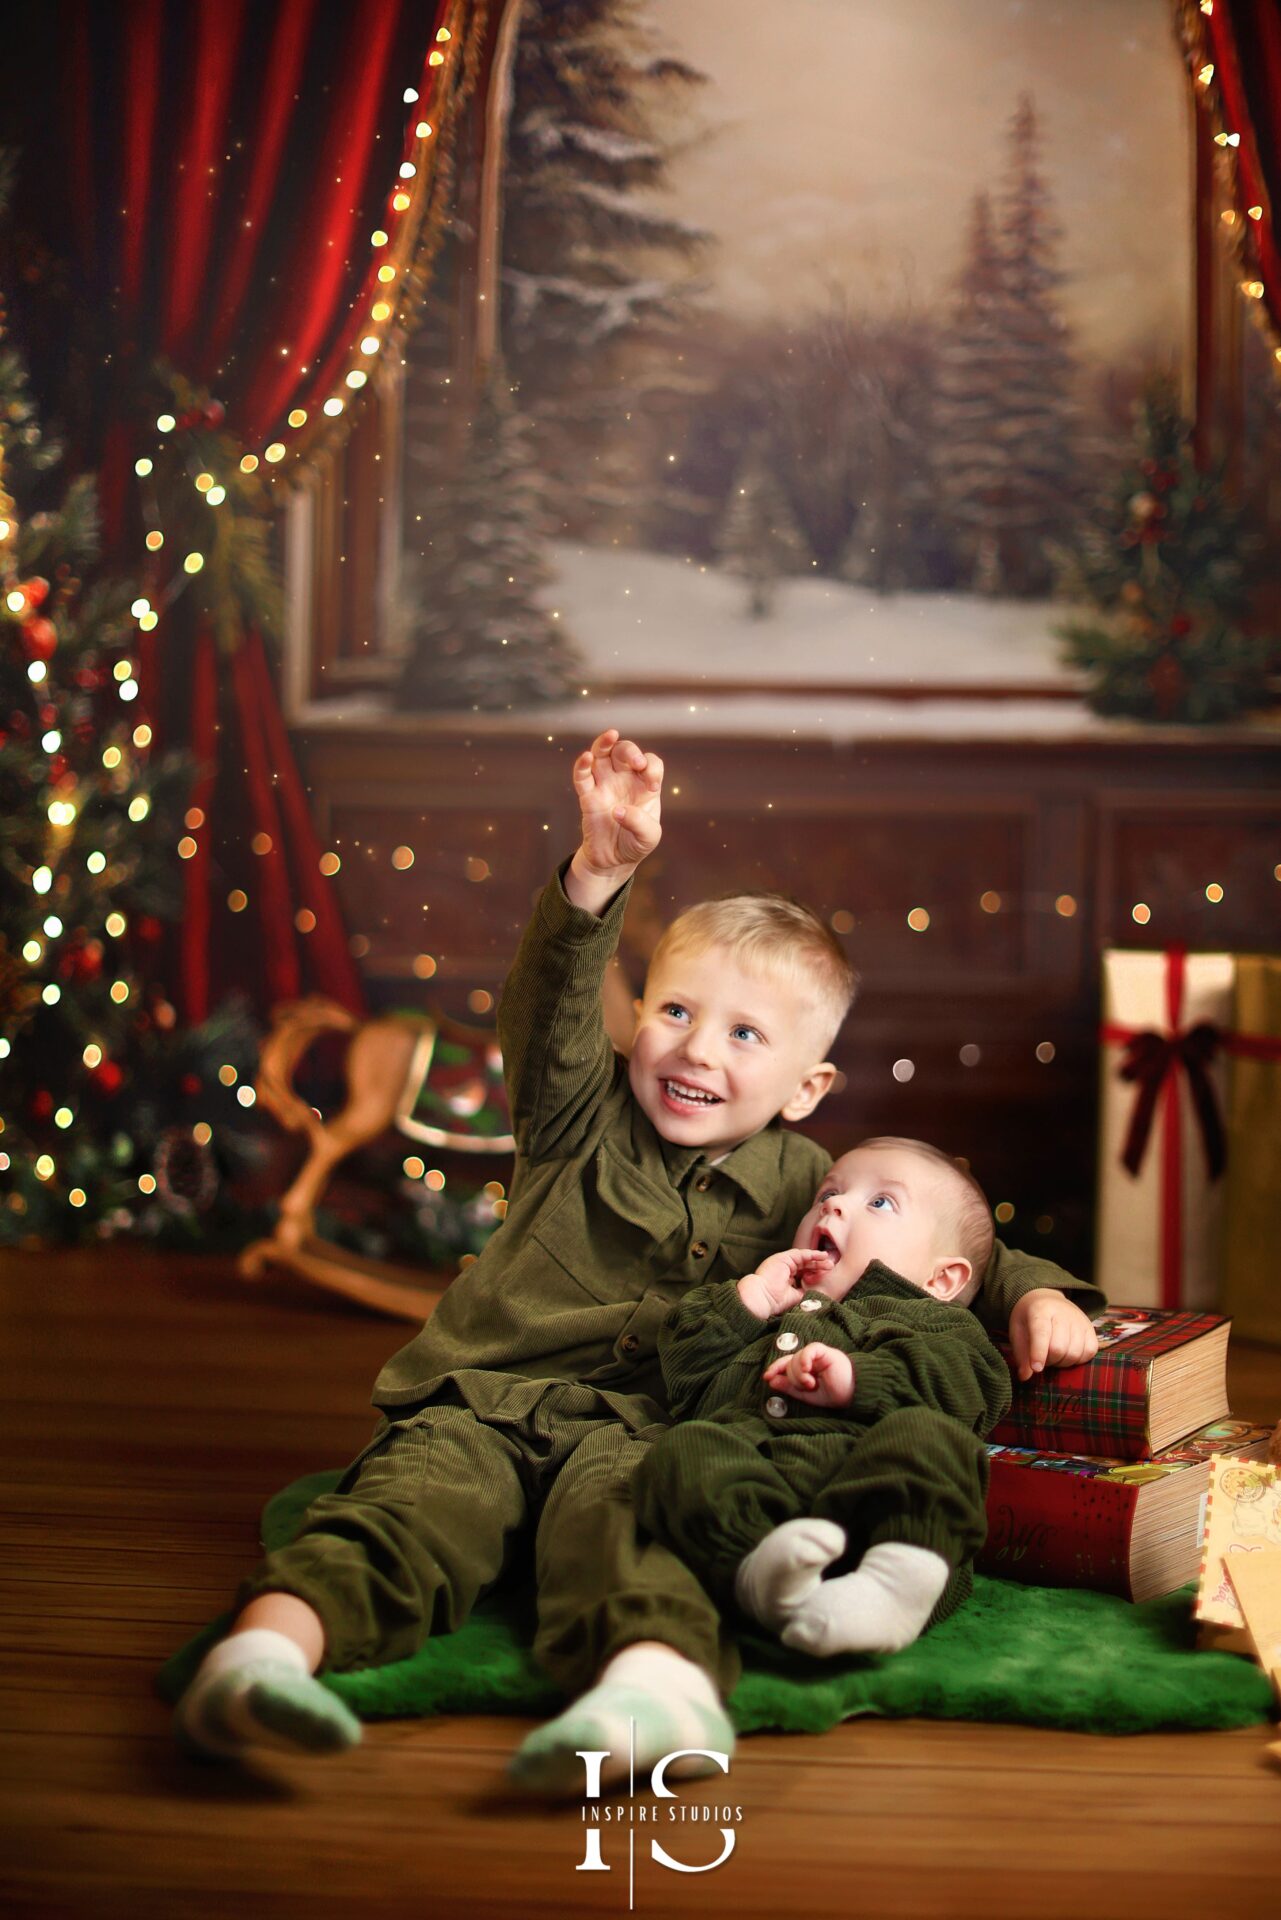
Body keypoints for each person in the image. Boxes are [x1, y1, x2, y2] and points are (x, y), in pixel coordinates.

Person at [173, 730, 1102, 1791]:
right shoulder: (578, 1109)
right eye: (675, 1011)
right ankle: (261, 1661)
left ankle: (652, 1694)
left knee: (644, 1534)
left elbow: (940, 1235)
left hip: (647, 1428)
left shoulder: (811, 1180)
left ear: (806, 1087)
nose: (698, 1048)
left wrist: (1035, 1292)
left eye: (747, 1034)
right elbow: (549, 1005)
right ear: (641, 1017)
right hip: (482, 1400)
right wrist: (601, 873)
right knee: (402, 1513)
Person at [634, 1138, 1016, 1657]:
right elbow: (685, 1372)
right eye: (828, 1193)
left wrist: (860, 1380)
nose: (833, 1205)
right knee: (681, 1451)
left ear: (941, 1278)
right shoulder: (771, 1309)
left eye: (880, 1202)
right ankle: (754, 1572)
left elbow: (968, 1386)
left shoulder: (934, 1321)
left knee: (934, 1440)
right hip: (759, 1491)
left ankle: (891, 1590)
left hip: (877, 1514)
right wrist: (754, 1298)